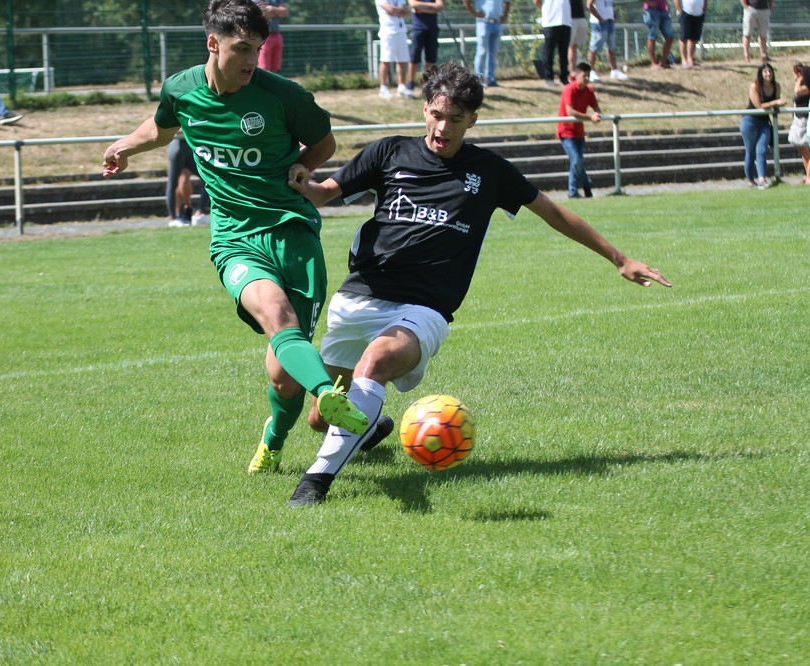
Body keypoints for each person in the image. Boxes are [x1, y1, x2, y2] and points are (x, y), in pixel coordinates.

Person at [284, 61, 671, 506]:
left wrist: (620, 259)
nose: (442, 128)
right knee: (320, 418)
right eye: (436, 114)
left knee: (376, 364)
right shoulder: (388, 151)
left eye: (455, 118)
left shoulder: (489, 171)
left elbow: (554, 213)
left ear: (472, 120)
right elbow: (325, 192)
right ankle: (369, 426)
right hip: (359, 297)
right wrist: (304, 183)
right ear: (425, 109)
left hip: (422, 308)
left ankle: (315, 482)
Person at [101, 0, 370, 475]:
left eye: (257, 49)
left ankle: (274, 440)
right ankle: (327, 394)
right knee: (276, 315)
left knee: (283, 378)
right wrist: (124, 145)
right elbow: (162, 128)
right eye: (242, 48)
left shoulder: (282, 95)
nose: (252, 60)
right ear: (213, 43)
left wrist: (303, 166)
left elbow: (326, 143)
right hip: (235, 237)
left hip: (292, 232)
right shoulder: (181, 90)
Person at [558, 62, 601, 199]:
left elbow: (596, 108)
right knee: (576, 161)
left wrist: (598, 114)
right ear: (576, 75)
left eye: (588, 76)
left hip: (579, 132)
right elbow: (570, 111)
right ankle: (586, 186)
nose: (587, 79)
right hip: (566, 131)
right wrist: (590, 118)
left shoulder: (589, 91)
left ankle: (572, 192)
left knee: (576, 163)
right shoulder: (569, 89)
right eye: (584, 76)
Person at [740, 62, 786, 189]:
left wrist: (778, 104)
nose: (768, 74)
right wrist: (776, 102)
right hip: (750, 121)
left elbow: (775, 106)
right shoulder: (755, 86)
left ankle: (762, 178)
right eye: (765, 72)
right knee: (750, 151)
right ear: (761, 74)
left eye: (770, 71)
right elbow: (759, 106)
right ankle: (750, 181)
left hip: (765, 122)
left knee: (762, 150)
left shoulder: (776, 86)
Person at [166, 134, 211, 227]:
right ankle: (173, 218)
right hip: (177, 148)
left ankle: (199, 213)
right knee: (173, 183)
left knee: (209, 178)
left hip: (191, 148)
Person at [463, 0, 509, 88]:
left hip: (497, 23)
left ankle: (491, 79)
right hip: (484, 22)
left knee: (493, 53)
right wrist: (473, 12)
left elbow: (507, 2)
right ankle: (479, 79)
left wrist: (505, 15)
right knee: (482, 51)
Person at [376, 0, 413, 99]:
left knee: (403, 60)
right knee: (386, 60)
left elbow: (406, 12)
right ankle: (383, 87)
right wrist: (400, 10)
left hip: (401, 32)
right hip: (388, 32)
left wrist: (397, 10)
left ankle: (402, 86)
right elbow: (390, 10)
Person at [586, 0, 628, 81]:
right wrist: (599, 18)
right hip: (599, 23)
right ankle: (591, 71)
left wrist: (613, 16)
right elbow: (589, 5)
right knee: (594, 48)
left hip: (609, 21)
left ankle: (614, 70)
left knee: (611, 47)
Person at [407, 0, 443, 92]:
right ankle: (411, 83)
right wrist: (432, 7)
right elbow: (413, 4)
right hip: (417, 28)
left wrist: (422, 8)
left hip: (432, 28)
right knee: (414, 57)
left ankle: (427, 84)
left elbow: (440, 6)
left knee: (430, 58)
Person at [533, 0, 571, 87]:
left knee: (564, 52)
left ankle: (564, 78)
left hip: (565, 22)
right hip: (550, 22)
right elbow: (536, 2)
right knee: (549, 51)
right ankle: (549, 77)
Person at [788, 63, 810, 184]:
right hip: (798, 119)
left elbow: (797, 90)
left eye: (794, 74)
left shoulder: (806, 88)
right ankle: (808, 175)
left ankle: (809, 177)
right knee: (803, 149)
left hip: (804, 120)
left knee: (805, 149)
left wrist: (800, 80)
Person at [642, 0, 674, 70]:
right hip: (652, 11)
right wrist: (649, 2)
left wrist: (667, 6)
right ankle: (653, 63)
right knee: (652, 37)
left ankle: (662, 62)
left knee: (670, 37)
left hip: (664, 11)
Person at [256, 0, 287, 73]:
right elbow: (262, 13)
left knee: (274, 68)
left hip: (277, 35)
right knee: (264, 68)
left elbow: (285, 12)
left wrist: (272, 8)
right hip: (264, 36)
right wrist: (278, 12)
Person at [674, 0, 705, 69]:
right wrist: (680, 12)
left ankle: (690, 59)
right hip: (685, 12)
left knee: (693, 38)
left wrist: (704, 10)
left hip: (699, 14)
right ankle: (684, 60)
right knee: (683, 37)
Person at [568, 0, 589, 82]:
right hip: (571, 18)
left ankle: (574, 71)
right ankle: (572, 72)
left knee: (574, 46)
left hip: (581, 18)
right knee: (570, 46)